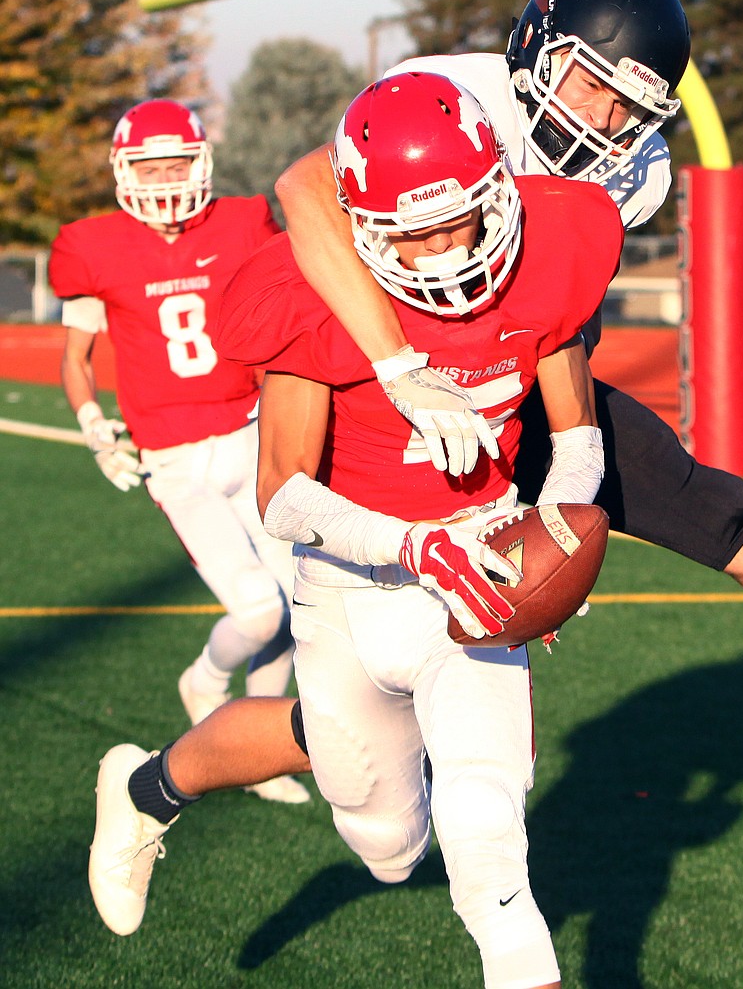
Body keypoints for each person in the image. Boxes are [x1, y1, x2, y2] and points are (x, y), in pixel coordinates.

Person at [86, 0, 743, 941]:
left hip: (506, 379)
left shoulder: (631, 175)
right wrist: (399, 367)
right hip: (371, 378)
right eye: (593, 85)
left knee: (723, 515)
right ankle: (147, 790)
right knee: (351, 740)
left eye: (633, 104)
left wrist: (560, 513)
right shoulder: (452, 94)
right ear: (539, 48)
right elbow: (307, 193)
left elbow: (554, 335)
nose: (608, 121)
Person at [91, 71, 620, 989]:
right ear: (361, 229)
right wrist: (415, 545)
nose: (446, 249)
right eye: (411, 231)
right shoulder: (308, 295)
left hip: (478, 573)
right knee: (386, 840)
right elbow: (284, 496)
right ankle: (143, 788)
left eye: (458, 218)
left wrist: (556, 527)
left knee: (488, 835)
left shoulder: (547, 255)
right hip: (349, 586)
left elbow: (575, 433)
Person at [50, 99, 309, 804]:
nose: (165, 180)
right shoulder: (91, 244)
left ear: (202, 163)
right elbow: (76, 357)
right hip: (173, 458)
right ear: (123, 171)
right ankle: (203, 681)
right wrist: (91, 423)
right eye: (150, 166)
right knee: (258, 612)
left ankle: (268, 750)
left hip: (251, 434)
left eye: (176, 164)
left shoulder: (241, 221)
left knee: (295, 600)